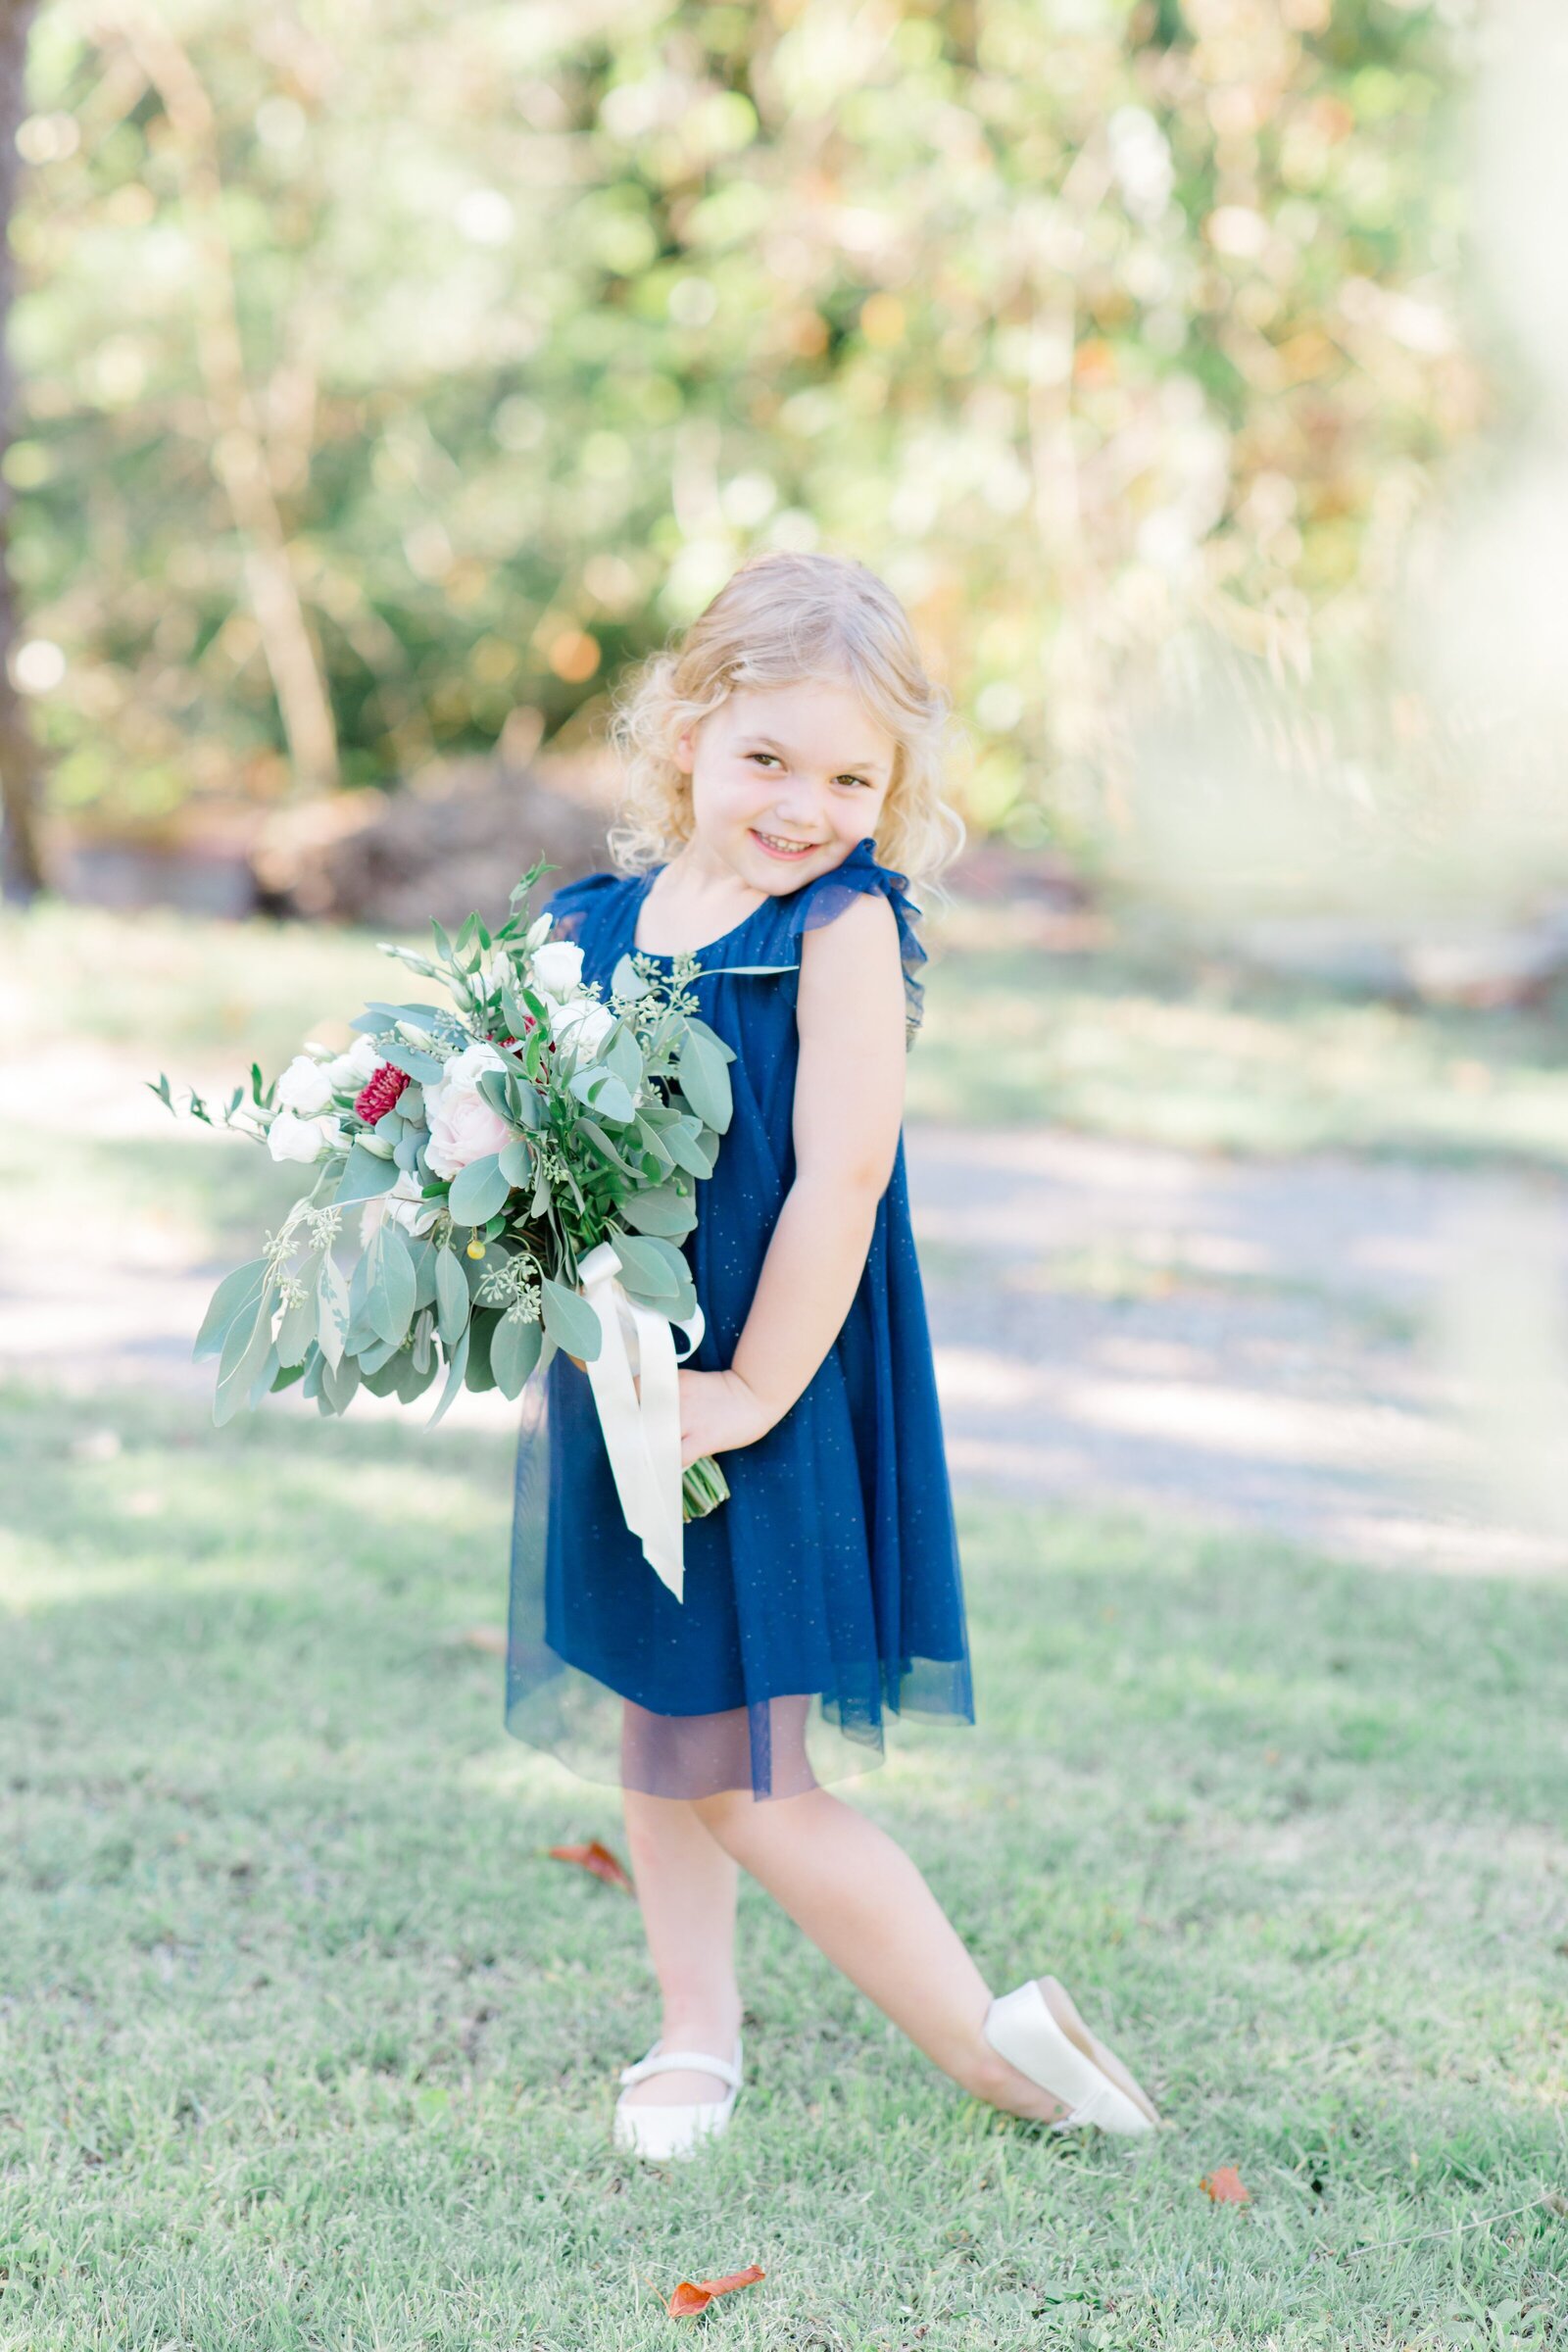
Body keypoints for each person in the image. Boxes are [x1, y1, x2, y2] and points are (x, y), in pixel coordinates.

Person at [505, 549, 1160, 2160]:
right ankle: (694, 2031)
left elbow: (841, 1177)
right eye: (768, 760)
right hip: (628, 1384)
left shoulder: (844, 925)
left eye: (851, 774)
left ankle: (995, 2045)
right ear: (685, 739)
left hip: (764, 1390)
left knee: (747, 1774)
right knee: (661, 1719)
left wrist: (748, 1391)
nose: (804, 804)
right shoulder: (583, 928)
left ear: (899, 786)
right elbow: (523, 1144)